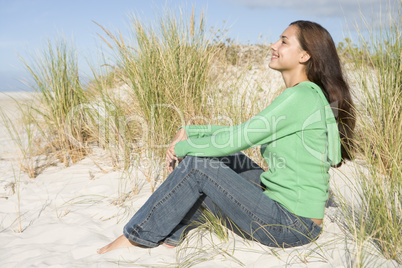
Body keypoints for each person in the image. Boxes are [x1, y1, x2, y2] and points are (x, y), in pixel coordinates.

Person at [97, 20, 355, 254]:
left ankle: (137, 236)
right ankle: (173, 233)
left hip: (292, 225)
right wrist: (192, 131)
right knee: (225, 158)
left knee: (198, 165)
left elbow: (240, 137)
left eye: (283, 41)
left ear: (304, 55)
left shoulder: (300, 97)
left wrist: (185, 147)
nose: (273, 45)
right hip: (282, 206)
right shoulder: (306, 95)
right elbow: (244, 130)